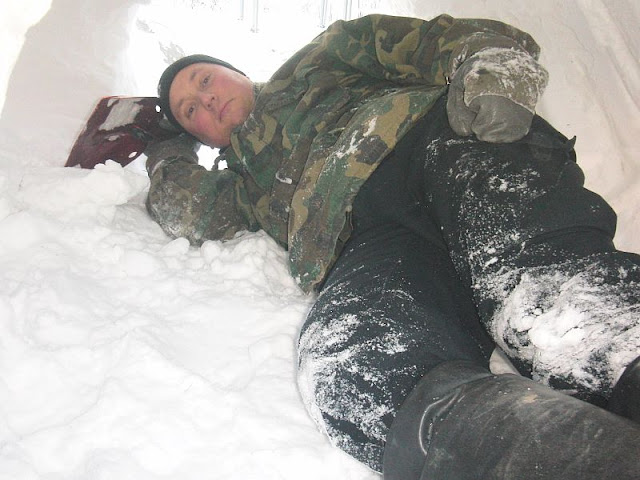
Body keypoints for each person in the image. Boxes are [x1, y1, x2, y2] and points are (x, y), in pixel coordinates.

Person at [144, 13, 640, 479]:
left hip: (440, 146)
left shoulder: (320, 58)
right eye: (190, 111)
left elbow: (438, 43)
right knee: (356, 369)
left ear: (235, 72)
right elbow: (186, 210)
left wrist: (492, 73)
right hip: (377, 239)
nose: (206, 101)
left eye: (204, 81)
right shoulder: (243, 184)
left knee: (551, 301)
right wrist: (164, 144)